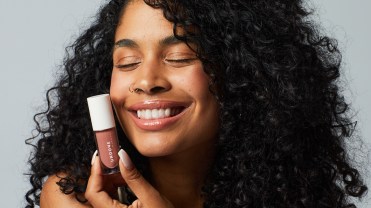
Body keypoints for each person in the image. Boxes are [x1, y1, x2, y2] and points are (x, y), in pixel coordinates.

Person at [25, 0, 368, 207]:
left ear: (241, 74)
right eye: (127, 62)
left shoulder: (293, 195)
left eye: (179, 56)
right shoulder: (75, 198)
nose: (146, 81)